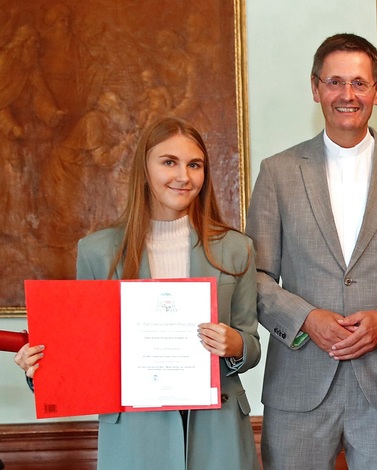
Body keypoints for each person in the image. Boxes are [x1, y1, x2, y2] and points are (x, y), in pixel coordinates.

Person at [245, 33, 377, 470]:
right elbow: (256, 277)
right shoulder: (277, 173)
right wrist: (305, 318)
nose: (347, 95)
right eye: (335, 82)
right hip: (299, 385)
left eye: (359, 83)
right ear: (315, 88)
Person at [14, 116, 261, 469]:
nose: (183, 176)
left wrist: (236, 344)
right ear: (144, 170)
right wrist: (39, 368)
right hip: (134, 435)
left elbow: (251, 345)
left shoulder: (237, 248)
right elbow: (83, 355)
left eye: (195, 165)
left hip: (218, 431)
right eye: (169, 162)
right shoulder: (98, 252)